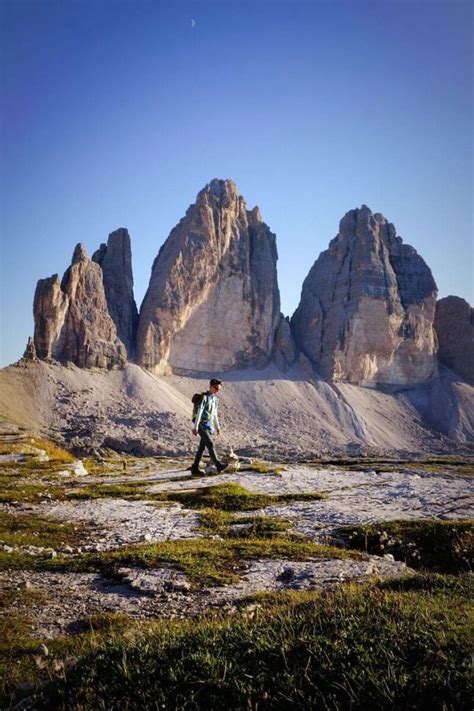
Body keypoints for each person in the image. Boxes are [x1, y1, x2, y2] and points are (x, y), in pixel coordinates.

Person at [191, 378, 227, 475]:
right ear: (211, 387)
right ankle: (218, 465)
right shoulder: (204, 397)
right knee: (210, 443)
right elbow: (200, 411)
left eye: (219, 389)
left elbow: (214, 414)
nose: (217, 391)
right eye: (216, 388)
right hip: (201, 424)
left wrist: (217, 427)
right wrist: (195, 427)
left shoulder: (215, 399)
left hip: (208, 425)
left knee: (201, 448)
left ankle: (194, 468)